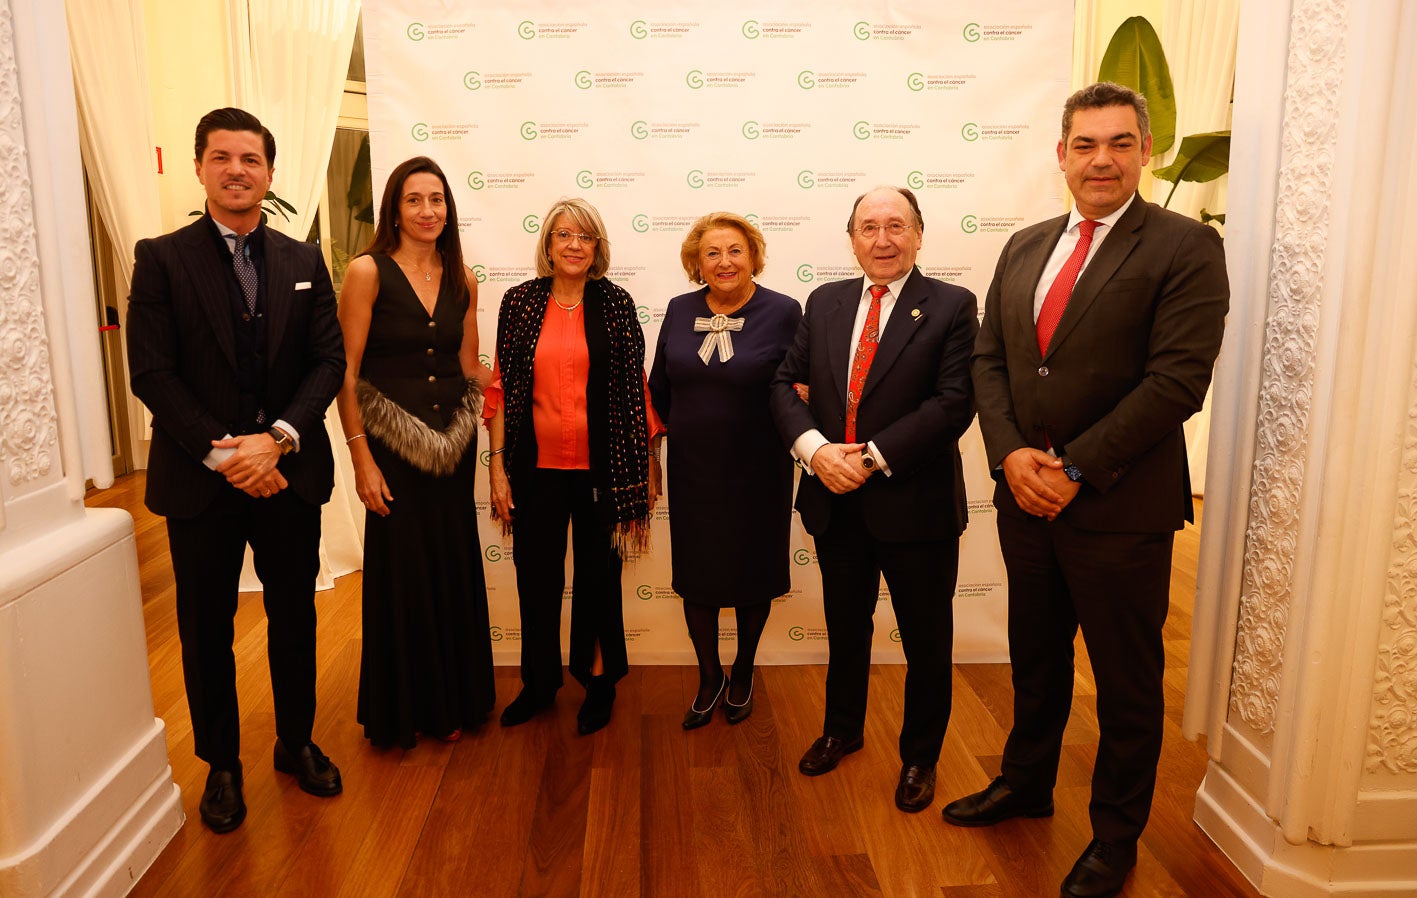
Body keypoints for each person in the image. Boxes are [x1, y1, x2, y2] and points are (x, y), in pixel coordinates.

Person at [942, 82, 1229, 898]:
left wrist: (1070, 468)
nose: (1100, 159)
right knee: (1033, 660)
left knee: (1126, 683)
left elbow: (1177, 382)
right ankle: (1026, 784)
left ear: (1146, 152)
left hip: (1117, 506)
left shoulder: (1182, 247)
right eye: (1084, 144)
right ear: (1060, 154)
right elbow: (991, 360)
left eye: (1117, 143)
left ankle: (1114, 838)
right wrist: (1009, 459)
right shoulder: (1026, 244)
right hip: (1025, 500)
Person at [127, 107, 345, 833]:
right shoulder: (160, 258)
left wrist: (277, 440)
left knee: (293, 616)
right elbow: (152, 373)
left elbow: (328, 361)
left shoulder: (303, 260)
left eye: (250, 159)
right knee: (205, 626)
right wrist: (228, 455)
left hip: (287, 475)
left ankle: (296, 742)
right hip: (201, 480)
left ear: (270, 173)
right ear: (199, 168)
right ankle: (221, 764)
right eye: (221, 157)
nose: (236, 170)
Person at [770, 186, 977, 813]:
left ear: (919, 235)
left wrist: (870, 456)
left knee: (925, 638)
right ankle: (842, 730)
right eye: (868, 228)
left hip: (914, 504)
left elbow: (953, 402)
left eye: (896, 227)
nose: (882, 240)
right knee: (846, 627)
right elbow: (785, 383)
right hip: (835, 498)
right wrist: (815, 450)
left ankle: (920, 756)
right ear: (852, 237)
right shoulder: (825, 301)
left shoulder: (951, 306)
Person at [334, 156, 495, 749]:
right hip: (391, 448)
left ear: (448, 209)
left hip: (453, 449)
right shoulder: (366, 272)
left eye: (437, 200)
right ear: (394, 211)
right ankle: (407, 710)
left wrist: (525, 380)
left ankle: (455, 700)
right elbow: (346, 376)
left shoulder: (464, 279)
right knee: (404, 575)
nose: (428, 211)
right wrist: (361, 459)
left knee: (451, 566)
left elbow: (468, 368)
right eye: (414, 200)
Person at [484, 197, 661, 736]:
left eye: (585, 237)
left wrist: (649, 463)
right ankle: (538, 684)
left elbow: (637, 390)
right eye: (564, 235)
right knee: (534, 580)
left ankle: (599, 682)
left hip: (603, 472)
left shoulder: (617, 304)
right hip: (533, 470)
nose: (574, 245)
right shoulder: (518, 303)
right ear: (548, 245)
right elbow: (502, 391)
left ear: (598, 248)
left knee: (599, 581)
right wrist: (496, 466)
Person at [647, 213, 801, 729]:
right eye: (711, 253)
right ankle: (709, 675)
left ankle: (743, 671)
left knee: (753, 574)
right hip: (694, 470)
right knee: (699, 576)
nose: (724, 262)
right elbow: (659, 388)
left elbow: (800, 386)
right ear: (697, 263)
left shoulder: (783, 311)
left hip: (760, 470)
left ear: (753, 255)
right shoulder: (678, 309)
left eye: (735, 250)